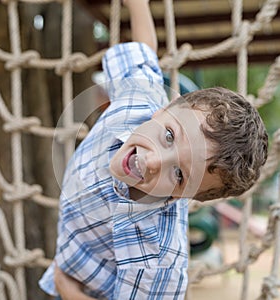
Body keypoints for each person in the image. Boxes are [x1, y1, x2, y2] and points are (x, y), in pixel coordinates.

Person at [39, 0, 268, 299]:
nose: (152, 161)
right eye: (170, 136)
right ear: (162, 109)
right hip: (74, 244)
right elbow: (145, 53)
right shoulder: (140, 99)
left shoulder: (157, 257)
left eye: (179, 175)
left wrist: (67, 289)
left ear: (182, 198)